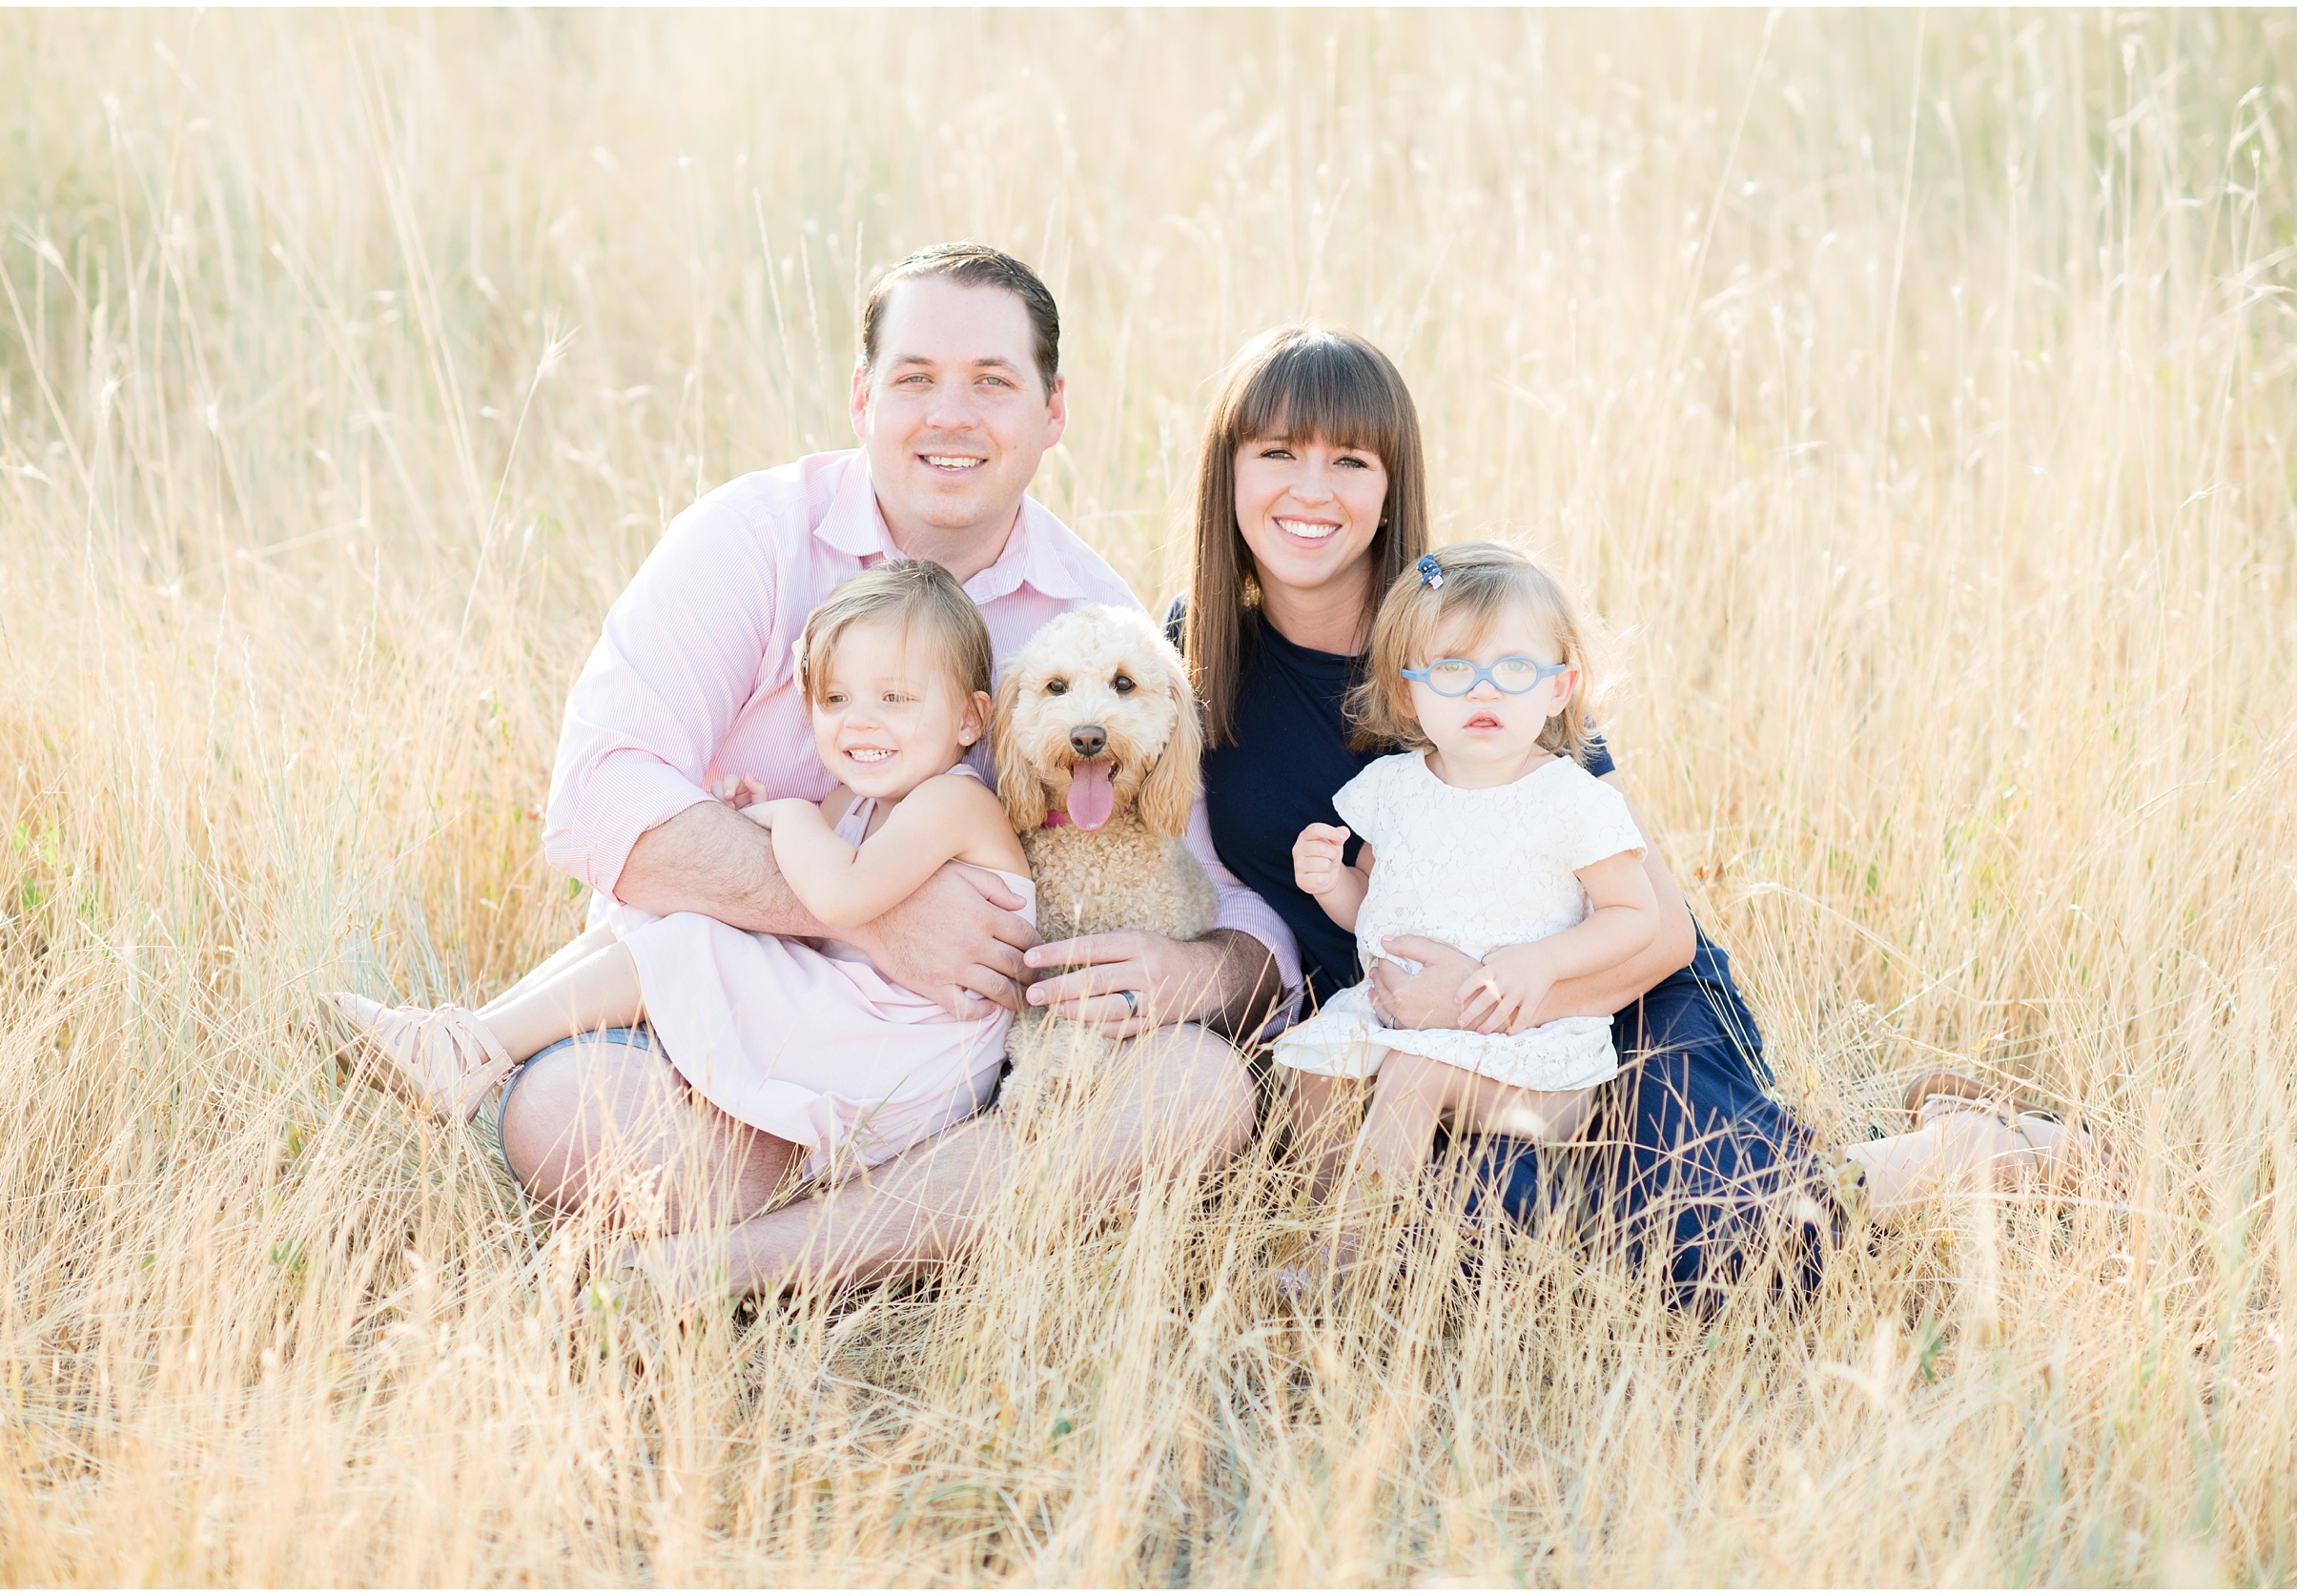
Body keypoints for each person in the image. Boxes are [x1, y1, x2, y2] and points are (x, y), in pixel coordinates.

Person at [1172, 323, 2116, 1310]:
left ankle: (1964, 1151)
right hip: (1415, 1049)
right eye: (1276, 453)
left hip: (1607, 995)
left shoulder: (1472, 636)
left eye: (1349, 460)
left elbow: (1655, 928)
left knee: (1729, 1258)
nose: (1310, 490)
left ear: (1390, 481)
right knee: (1502, 1247)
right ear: (1226, 471)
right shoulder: (1183, 661)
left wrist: (1496, 993)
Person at [472, 243, 1299, 1290]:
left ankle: (727, 1269)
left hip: (944, 1083)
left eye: (992, 383)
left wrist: (1199, 972)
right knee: (564, 1114)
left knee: (1197, 1090)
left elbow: (1228, 898)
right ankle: (905, 1237)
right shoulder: (750, 538)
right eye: (915, 379)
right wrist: (866, 913)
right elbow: (599, 800)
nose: (949, 415)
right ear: (863, 397)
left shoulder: (1090, 627)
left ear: (1053, 412)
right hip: (711, 1040)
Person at [325, 561, 1040, 1197]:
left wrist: (785, 816)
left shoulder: (956, 801)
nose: (861, 723)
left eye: (896, 699)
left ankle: (466, 1051)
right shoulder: (855, 801)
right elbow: (802, 862)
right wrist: (749, 815)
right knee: (670, 911)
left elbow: (836, 893)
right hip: (861, 1022)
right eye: (837, 700)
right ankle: (461, 1042)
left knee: (693, 938)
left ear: (972, 719)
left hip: (909, 1058)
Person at [1277, 543, 1657, 1243]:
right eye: (1453, 668)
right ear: (1408, 692)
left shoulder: (1569, 799)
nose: (1484, 691)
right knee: (1312, 1059)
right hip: (1397, 1018)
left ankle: (1349, 1265)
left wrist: (1541, 963)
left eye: (1514, 669)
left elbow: (1637, 914)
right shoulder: (1392, 789)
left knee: (1417, 1073)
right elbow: (1380, 911)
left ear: (1559, 688)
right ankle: (1321, 1220)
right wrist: (1334, 885)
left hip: (1535, 1054)